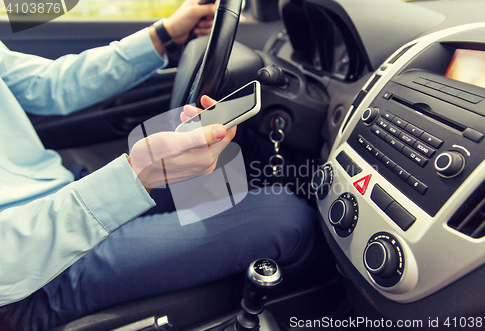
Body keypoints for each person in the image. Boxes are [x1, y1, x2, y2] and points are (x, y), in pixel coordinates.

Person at [0, 1, 317, 330]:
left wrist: (163, 34)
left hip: (61, 196)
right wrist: (134, 178)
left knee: (238, 151)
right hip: (33, 273)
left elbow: (50, 84)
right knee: (287, 217)